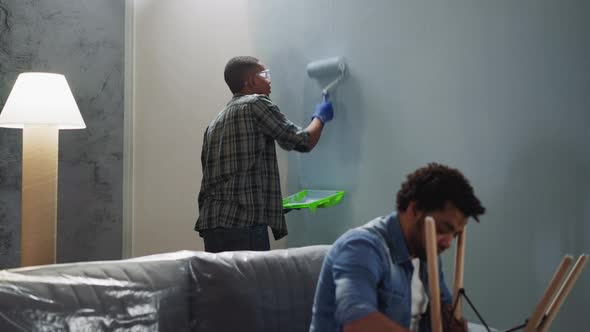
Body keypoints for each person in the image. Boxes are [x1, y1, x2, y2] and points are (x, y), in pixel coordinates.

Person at [309, 163, 486, 332]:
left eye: (454, 235)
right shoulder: (361, 247)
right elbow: (357, 324)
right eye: (442, 230)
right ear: (414, 210)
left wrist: (450, 324)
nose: (448, 243)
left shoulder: (427, 255)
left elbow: (443, 313)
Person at [195, 56, 334, 253]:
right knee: (253, 284)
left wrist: (275, 204)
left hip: (213, 227)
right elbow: (303, 141)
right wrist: (320, 117)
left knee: (222, 284)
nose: (269, 81)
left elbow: (224, 181)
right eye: (265, 75)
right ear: (251, 80)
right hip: (244, 227)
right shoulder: (255, 103)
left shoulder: (214, 124)